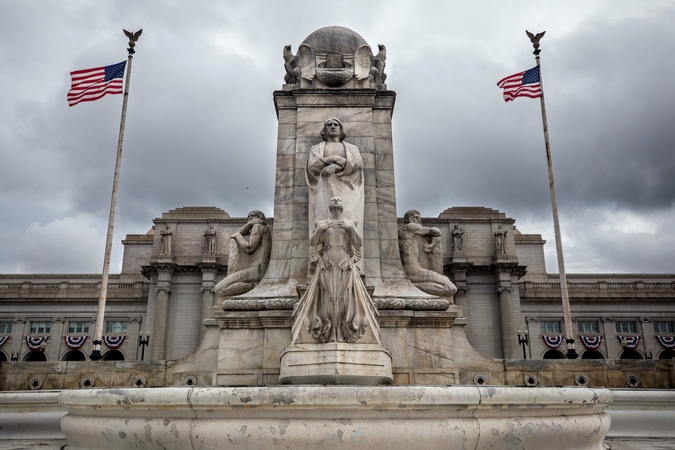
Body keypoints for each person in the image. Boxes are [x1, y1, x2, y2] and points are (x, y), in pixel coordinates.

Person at [290, 197, 379, 345]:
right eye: (333, 200)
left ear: (342, 206)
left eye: (339, 199)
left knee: (343, 297)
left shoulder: (350, 223)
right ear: (330, 206)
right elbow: (313, 242)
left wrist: (351, 229)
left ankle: (344, 331)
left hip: (345, 263)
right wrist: (320, 230)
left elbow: (359, 243)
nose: (336, 200)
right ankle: (329, 331)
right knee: (329, 296)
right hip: (327, 263)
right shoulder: (322, 223)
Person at [305, 118, 364, 261]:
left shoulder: (351, 148)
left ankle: (352, 260)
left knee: (348, 219)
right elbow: (312, 165)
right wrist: (333, 158)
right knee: (323, 220)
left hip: (348, 187)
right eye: (329, 125)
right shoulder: (316, 148)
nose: (332, 127)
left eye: (335, 125)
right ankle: (320, 260)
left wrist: (336, 167)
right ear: (324, 130)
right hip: (323, 188)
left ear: (341, 129)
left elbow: (357, 164)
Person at [398, 209, 457, 297]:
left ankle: (411, 286)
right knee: (451, 288)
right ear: (408, 218)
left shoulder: (410, 234)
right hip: (413, 271)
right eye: (416, 217)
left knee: (446, 280)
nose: (420, 220)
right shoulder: (409, 227)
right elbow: (435, 231)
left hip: (415, 270)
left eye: (420, 217)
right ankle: (410, 286)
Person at [215, 211, 271, 299]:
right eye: (248, 217)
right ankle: (254, 287)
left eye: (252, 216)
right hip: (257, 269)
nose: (249, 218)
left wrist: (237, 236)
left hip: (257, 270)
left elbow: (249, 248)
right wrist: (249, 225)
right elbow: (242, 231)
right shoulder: (258, 227)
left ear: (259, 217)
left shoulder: (258, 227)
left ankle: (255, 287)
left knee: (219, 288)